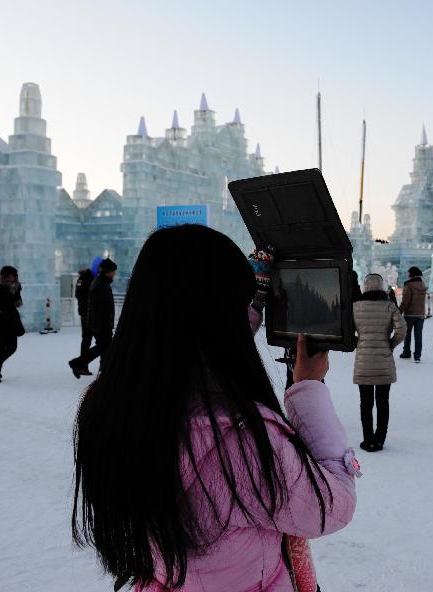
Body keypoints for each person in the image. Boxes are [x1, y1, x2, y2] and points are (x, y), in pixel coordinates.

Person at [72, 225, 358, 592]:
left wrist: (253, 300)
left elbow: (192, 339)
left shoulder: (107, 408)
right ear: (222, 312)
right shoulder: (240, 440)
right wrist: (309, 389)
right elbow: (332, 505)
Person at [353, 273, 406, 452]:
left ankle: (368, 440)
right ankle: (380, 439)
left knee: (365, 402)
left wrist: (358, 343)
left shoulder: (356, 307)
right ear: (382, 286)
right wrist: (390, 344)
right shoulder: (389, 306)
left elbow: (345, 329)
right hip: (384, 360)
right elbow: (402, 330)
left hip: (363, 361)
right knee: (383, 401)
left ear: (365, 287)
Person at [69, 258, 117, 378]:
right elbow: (99, 308)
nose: (114, 274)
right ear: (108, 271)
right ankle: (79, 363)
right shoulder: (100, 284)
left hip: (99, 323)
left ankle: (102, 369)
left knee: (104, 347)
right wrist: (102, 325)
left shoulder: (101, 283)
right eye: (113, 271)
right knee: (101, 346)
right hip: (100, 324)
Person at [0, 266, 24, 383]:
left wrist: (18, 301)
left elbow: (17, 297)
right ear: (4, 276)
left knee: (12, 347)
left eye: (14, 276)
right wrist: (12, 299)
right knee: (0, 347)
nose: (12, 278)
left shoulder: (16, 286)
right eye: (10, 276)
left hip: (12, 320)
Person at [399, 266, 427, 362]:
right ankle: (417, 356)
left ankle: (406, 352)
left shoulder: (409, 285)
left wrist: (399, 311)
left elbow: (405, 301)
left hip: (410, 314)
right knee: (418, 335)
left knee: (407, 334)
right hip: (420, 314)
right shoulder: (422, 284)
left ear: (411, 274)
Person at [74, 267, 95, 376]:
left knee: (89, 340)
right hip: (86, 314)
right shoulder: (84, 280)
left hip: (88, 313)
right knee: (87, 339)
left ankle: (82, 365)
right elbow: (79, 295)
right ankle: (82, 366)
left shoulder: (89, 279)